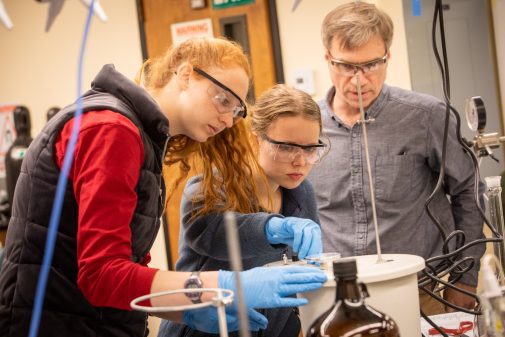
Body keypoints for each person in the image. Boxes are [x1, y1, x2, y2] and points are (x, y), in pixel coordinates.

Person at [0, 37, 327, 337]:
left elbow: (123, 265)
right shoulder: (111, 129)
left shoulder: (137, 133)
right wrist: (226, 286)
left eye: (236, 109)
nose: (229, 120)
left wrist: (185, 309)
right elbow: (101, 273)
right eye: (222, 100)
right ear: (186, 75)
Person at [307, 2, 485, 315]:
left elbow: (468, 193)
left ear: (388, 56)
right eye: (347, 66)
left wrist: (464, 280)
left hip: (420, 292)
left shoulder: (427, 117)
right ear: (327, 58)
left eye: (372, 65)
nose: (360, 80)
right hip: (333, 300)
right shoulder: (305, 126)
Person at [158, 84, 328, 337]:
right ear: (254, 138)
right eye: (286, 147)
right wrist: (272, 228)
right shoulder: (209, 188)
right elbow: (217, 234)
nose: (300, 161)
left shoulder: (302, 194)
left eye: (310, 149)